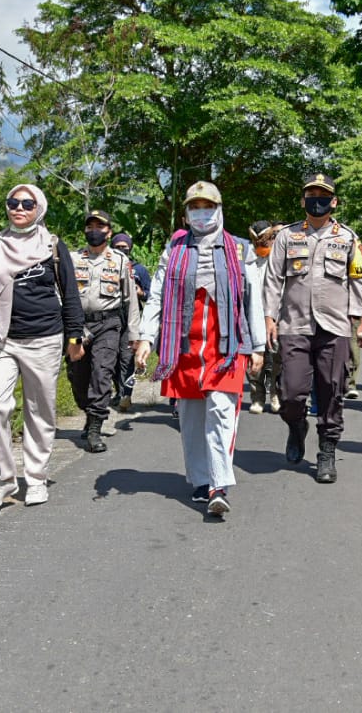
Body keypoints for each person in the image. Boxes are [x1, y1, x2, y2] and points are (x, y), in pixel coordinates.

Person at [136, 182, 265, 517]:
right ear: (186, 212)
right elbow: (158, 295)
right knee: (191, 418)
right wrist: (146, 337)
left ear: (219, 209)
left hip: (227, 347)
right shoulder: (174, 247)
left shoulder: (240, 249)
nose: (201, 212)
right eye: (195, 206)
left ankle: (219, 486)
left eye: (207, 205)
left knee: (221, 413)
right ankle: (199, 478)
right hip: (183, 346)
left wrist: (259, 346)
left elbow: (253, 299)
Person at [0, 184, 84, 508]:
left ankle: (36, 479)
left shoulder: (54, 246)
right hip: (0, 339)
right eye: (13, 202)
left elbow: (70, 293)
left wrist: (75, 337)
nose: (19, 208)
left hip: (44, 339)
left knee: (39, 412)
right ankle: (4, 480)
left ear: (39, 208)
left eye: (27, 203)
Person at [263, 173, 362, 484]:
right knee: (291, 393)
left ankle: (327, 451)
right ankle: (296, 427)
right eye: (310, 194)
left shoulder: (349, 238)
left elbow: (360, 281)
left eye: (323, 194)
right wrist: (269, 317)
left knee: (331, 391)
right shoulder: (287, 236)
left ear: (334, 201)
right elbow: (273, 279)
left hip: (334, 327)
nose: (317, 199)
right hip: (294, 324)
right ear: (302, 200)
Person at [64, 211, 140, 453]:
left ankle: (96, 427)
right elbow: (62, 293)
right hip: (78, 325)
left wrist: (134, 335)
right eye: (90, 226)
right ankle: (88, 412)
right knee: (78, 376)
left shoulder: (119, 261)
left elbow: (131, 301)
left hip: (108, 324)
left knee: (102, 373)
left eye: (100, 226)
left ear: (109, 231)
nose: (94, 230)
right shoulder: (73, 258)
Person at [110, 232, 151, 412]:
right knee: (111, 360)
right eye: (117, 247)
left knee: (127, 360)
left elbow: (152, 296)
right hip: (109, 319)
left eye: (124, 247)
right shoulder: (108, 265)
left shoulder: (139, 269)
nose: (121, 250)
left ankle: (126, 394)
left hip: (131, 320)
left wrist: (140, 292)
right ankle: (119, 391)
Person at [244, 220, 282, 414]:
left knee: (276, 357)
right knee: (253, 358)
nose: (261, 244)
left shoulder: (279, 258)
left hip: (275, 315)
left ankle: (276, 393)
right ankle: (257, 397)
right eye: (256, 240)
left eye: (264, 239)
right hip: (252, 315)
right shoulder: (247, 258)